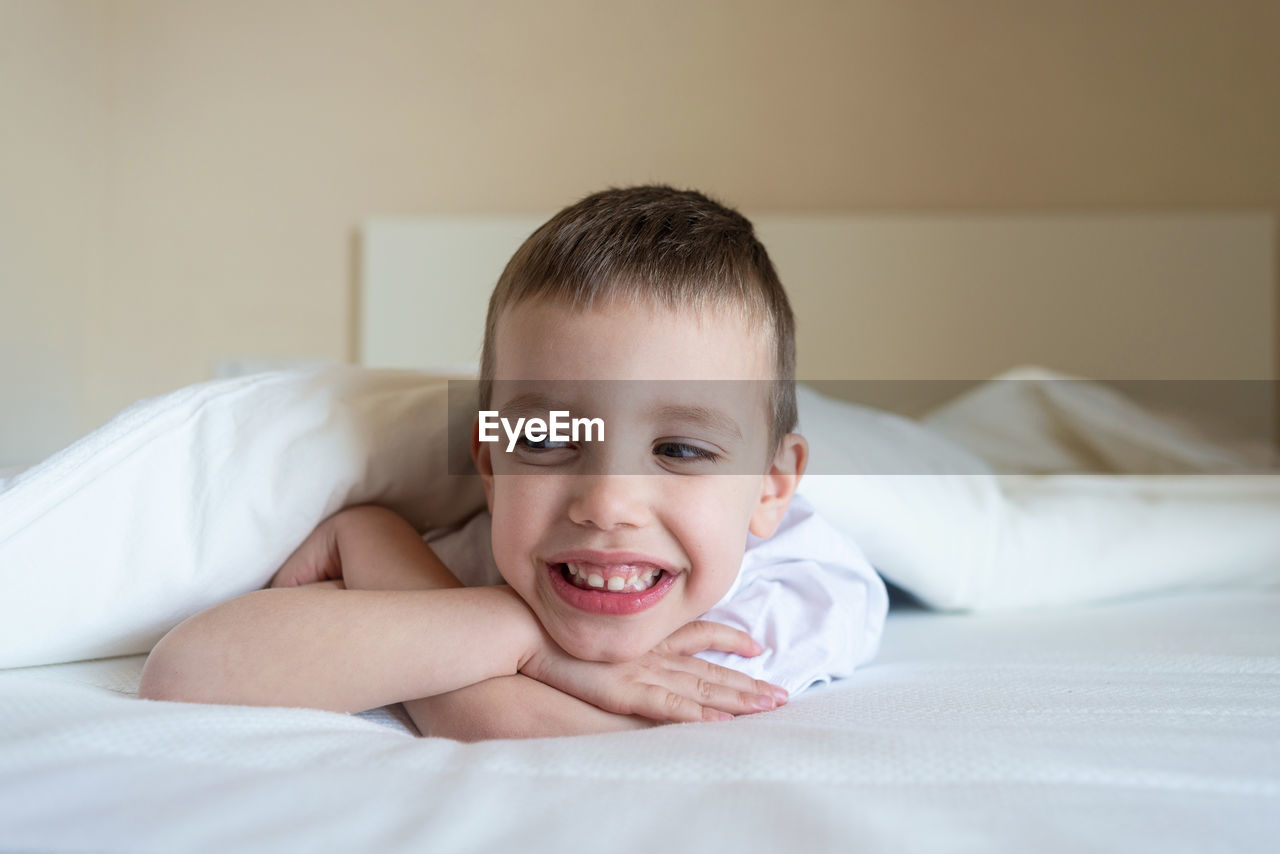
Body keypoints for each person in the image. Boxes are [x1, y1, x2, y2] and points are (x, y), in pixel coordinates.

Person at [138, 185, 888, 739]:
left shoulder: (784, 605)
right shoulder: (487, 560)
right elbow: (186, 671)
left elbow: (498, 722)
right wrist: (513, 630)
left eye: (680, 451)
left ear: (771, 488)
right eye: (547, 439)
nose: (607, 503)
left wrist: (380, 560)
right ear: (490, 467)